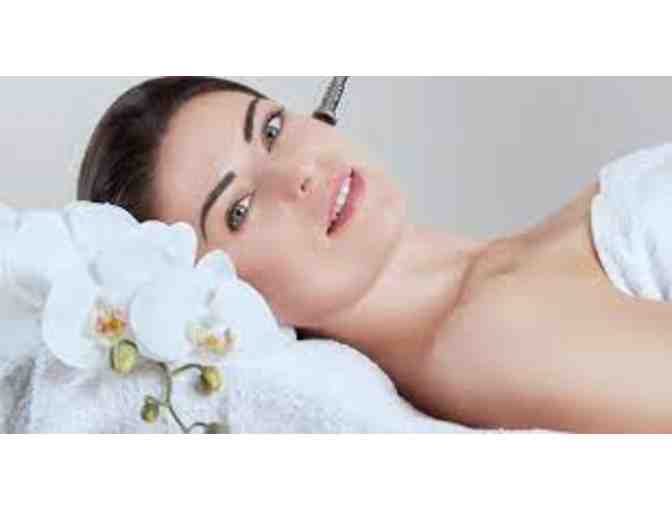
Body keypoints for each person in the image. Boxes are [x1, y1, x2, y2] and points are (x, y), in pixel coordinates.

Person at [77, 76, 672, 433]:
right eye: (239, 209)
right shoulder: (487, 338)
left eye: (272, 130)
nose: (298, 174)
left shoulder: (504, 276)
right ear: (220, 297)